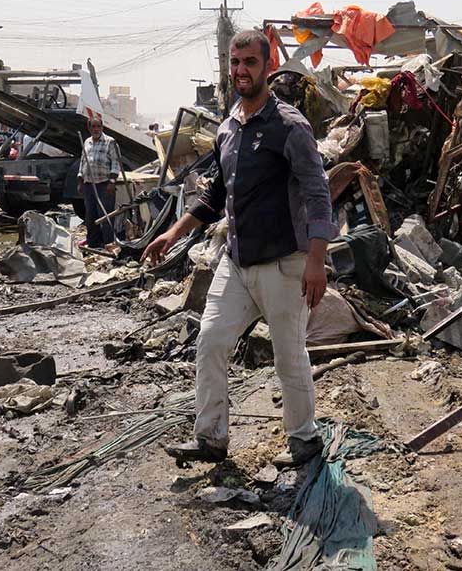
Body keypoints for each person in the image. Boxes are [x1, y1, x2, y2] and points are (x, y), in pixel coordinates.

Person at [142, 29, 336, 468]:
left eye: (249, 62)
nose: (240, 70)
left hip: (284, 264)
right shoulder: (228, 128)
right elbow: (217, 193)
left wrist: (316, 260)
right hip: (236, 261)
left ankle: (304, 440)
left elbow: (317, 193)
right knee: (210, 340)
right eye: (235, 62)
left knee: (289, 357)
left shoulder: (289, 126)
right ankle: (211, 438)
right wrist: (174, 233)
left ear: (268, 67)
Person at [78, 117, 121, 248]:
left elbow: (116, 163)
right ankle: (93, 244)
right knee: (90, 216)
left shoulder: (110, 142)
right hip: (89, 184)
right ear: (89, 128)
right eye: (93, 127)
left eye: (98, 126)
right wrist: (80, 180)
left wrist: (112, 182)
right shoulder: (87, 142)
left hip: (104, 184)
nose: (96, 129)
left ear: (102, 127)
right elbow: (83, 162)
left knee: (106, 215)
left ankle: (108, 244)